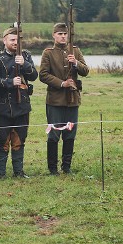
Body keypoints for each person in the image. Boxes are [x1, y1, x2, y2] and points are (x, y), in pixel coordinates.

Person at [39, 23, 90, 174]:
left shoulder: (75, 51)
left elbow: (85, 71)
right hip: (55, 100)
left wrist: (76, 63)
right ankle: (53, 168)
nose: (63, 36)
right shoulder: (48, 53)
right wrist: (62, 83)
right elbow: (43, 75)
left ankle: (66, 167)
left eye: (65, 34)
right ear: (54, 35)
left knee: (70, 134)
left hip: (72, 100)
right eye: (59, 34)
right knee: (54, 134)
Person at [0, 26, 38, 178]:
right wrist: (10, 82)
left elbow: (34, 76)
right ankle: (0, 173)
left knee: (19, 139)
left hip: (21, 106)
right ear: (4, 41)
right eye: (12, 40)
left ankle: (19, 172)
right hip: (2, 106)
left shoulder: (25, 56)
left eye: (17, 40)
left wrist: (24, 64)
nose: (15, 42)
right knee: (3, 139)